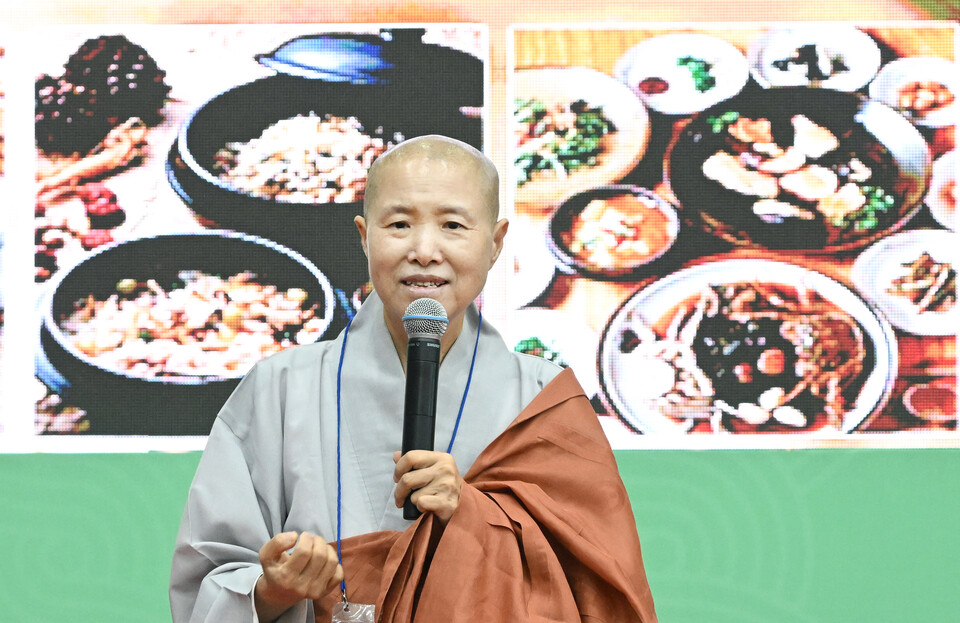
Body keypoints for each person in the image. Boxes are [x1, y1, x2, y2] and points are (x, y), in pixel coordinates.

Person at [169, 135, 657, 622]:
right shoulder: (277, 387)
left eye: (452, 225)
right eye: (399, 224)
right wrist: (271, 591)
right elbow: (208, 578)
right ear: (364, 237)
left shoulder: (544, 399)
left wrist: (472, 516)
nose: (425, 250)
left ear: (495, 243)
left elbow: (598, 583)